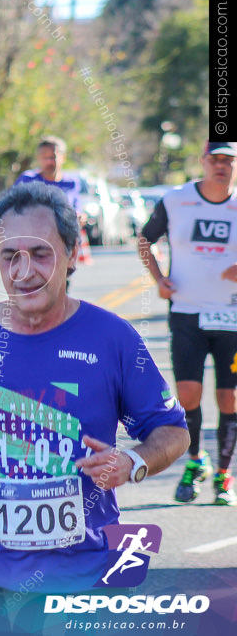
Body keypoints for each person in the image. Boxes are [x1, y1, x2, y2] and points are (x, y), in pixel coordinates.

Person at [0, 182, 189, 632]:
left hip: (92, 574)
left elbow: (173, 430)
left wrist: (133, 461)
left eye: (40, 254)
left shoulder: (112, 338)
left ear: (72, 253)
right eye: (10, 256)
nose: (24, 270)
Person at [138, 140, 237, 506]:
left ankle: (225, 477)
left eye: (229, 160)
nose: (221, 166)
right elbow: (145, 239)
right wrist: (158, 279)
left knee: (230, 397)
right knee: (189, 395)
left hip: (232, 317)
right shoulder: (176, 200)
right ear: (203, 161)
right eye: (215, 159)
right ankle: (196, 461)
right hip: (187, 314)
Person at [13, 136, 83, 213]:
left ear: (63, 157)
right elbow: (12, 208)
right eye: (44, 157)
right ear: (38, 157)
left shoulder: (71, 182)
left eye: (52, 157)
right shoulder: (27, 180)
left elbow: (77, 209)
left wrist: (79, 217)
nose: (48, 162)